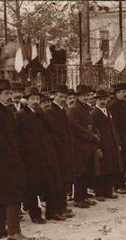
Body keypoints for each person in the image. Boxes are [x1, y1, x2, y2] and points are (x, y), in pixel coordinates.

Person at [0, 79, 33, 240]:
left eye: (11, 93)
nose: (11, 96)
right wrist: (11, 155)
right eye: (7, 93)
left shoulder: (4, 109)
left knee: (0, 193)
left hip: (3, 158)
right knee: (12, 193)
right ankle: (14, 231)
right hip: (3, 159)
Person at [15, 86, 63, 223]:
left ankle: (51, 212)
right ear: (27, 100)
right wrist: (24, 155)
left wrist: (42, 113)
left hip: (46, 154)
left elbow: (52, 128)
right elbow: (19, 137)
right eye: (32, 99)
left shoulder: (42, 114)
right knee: (32, 187)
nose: (35, 101)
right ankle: (35, 214)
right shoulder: (21, 115)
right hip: (31, 157)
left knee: (50, 183)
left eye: (37, 98)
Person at [44, 85, 75, 218]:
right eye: (60, 96)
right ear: (54, 96)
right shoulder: (50, 112)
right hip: (55, 152)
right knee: (55, 182)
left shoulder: (62, 110)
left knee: (64, 180)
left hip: (64, 151)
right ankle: (52, 211)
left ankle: (62, 207)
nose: (63, 99)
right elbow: (52, 133)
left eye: (65, 97)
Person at [67, 84, 100, 208]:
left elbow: (92, 123)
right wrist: (91, 136)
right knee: (79, 173)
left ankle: (84, 196)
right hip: (79, 146)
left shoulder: (86, 108)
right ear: (78, 96)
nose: (86, 97)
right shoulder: (73, 109)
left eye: (88, 95)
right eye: (84, 95)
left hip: (88, 145)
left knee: (86, 172)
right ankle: (78, 199)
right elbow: (76, 128)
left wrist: (96, 134)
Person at [90, 89, 121, 201]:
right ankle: (99, 193)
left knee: (111, 167)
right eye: (100, 99)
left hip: (111, 144)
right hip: (102, 144)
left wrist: (117, 143)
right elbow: (93, 131)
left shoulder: (108, 111)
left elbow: (114, 128)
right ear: (96, 101)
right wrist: (97, 148)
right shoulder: (93, 113)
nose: (103, 101)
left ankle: (109, 191)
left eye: (104, 99)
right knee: (101, 170)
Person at [107, 83, 126, 194]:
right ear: (117, 93)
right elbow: (114, 125)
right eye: (123, 92)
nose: (125, 94)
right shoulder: (112, 105)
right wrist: (118, 140)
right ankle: (117, 185)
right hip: (119, 138)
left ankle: (122, 182)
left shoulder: (125, 103)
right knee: (119, 162)